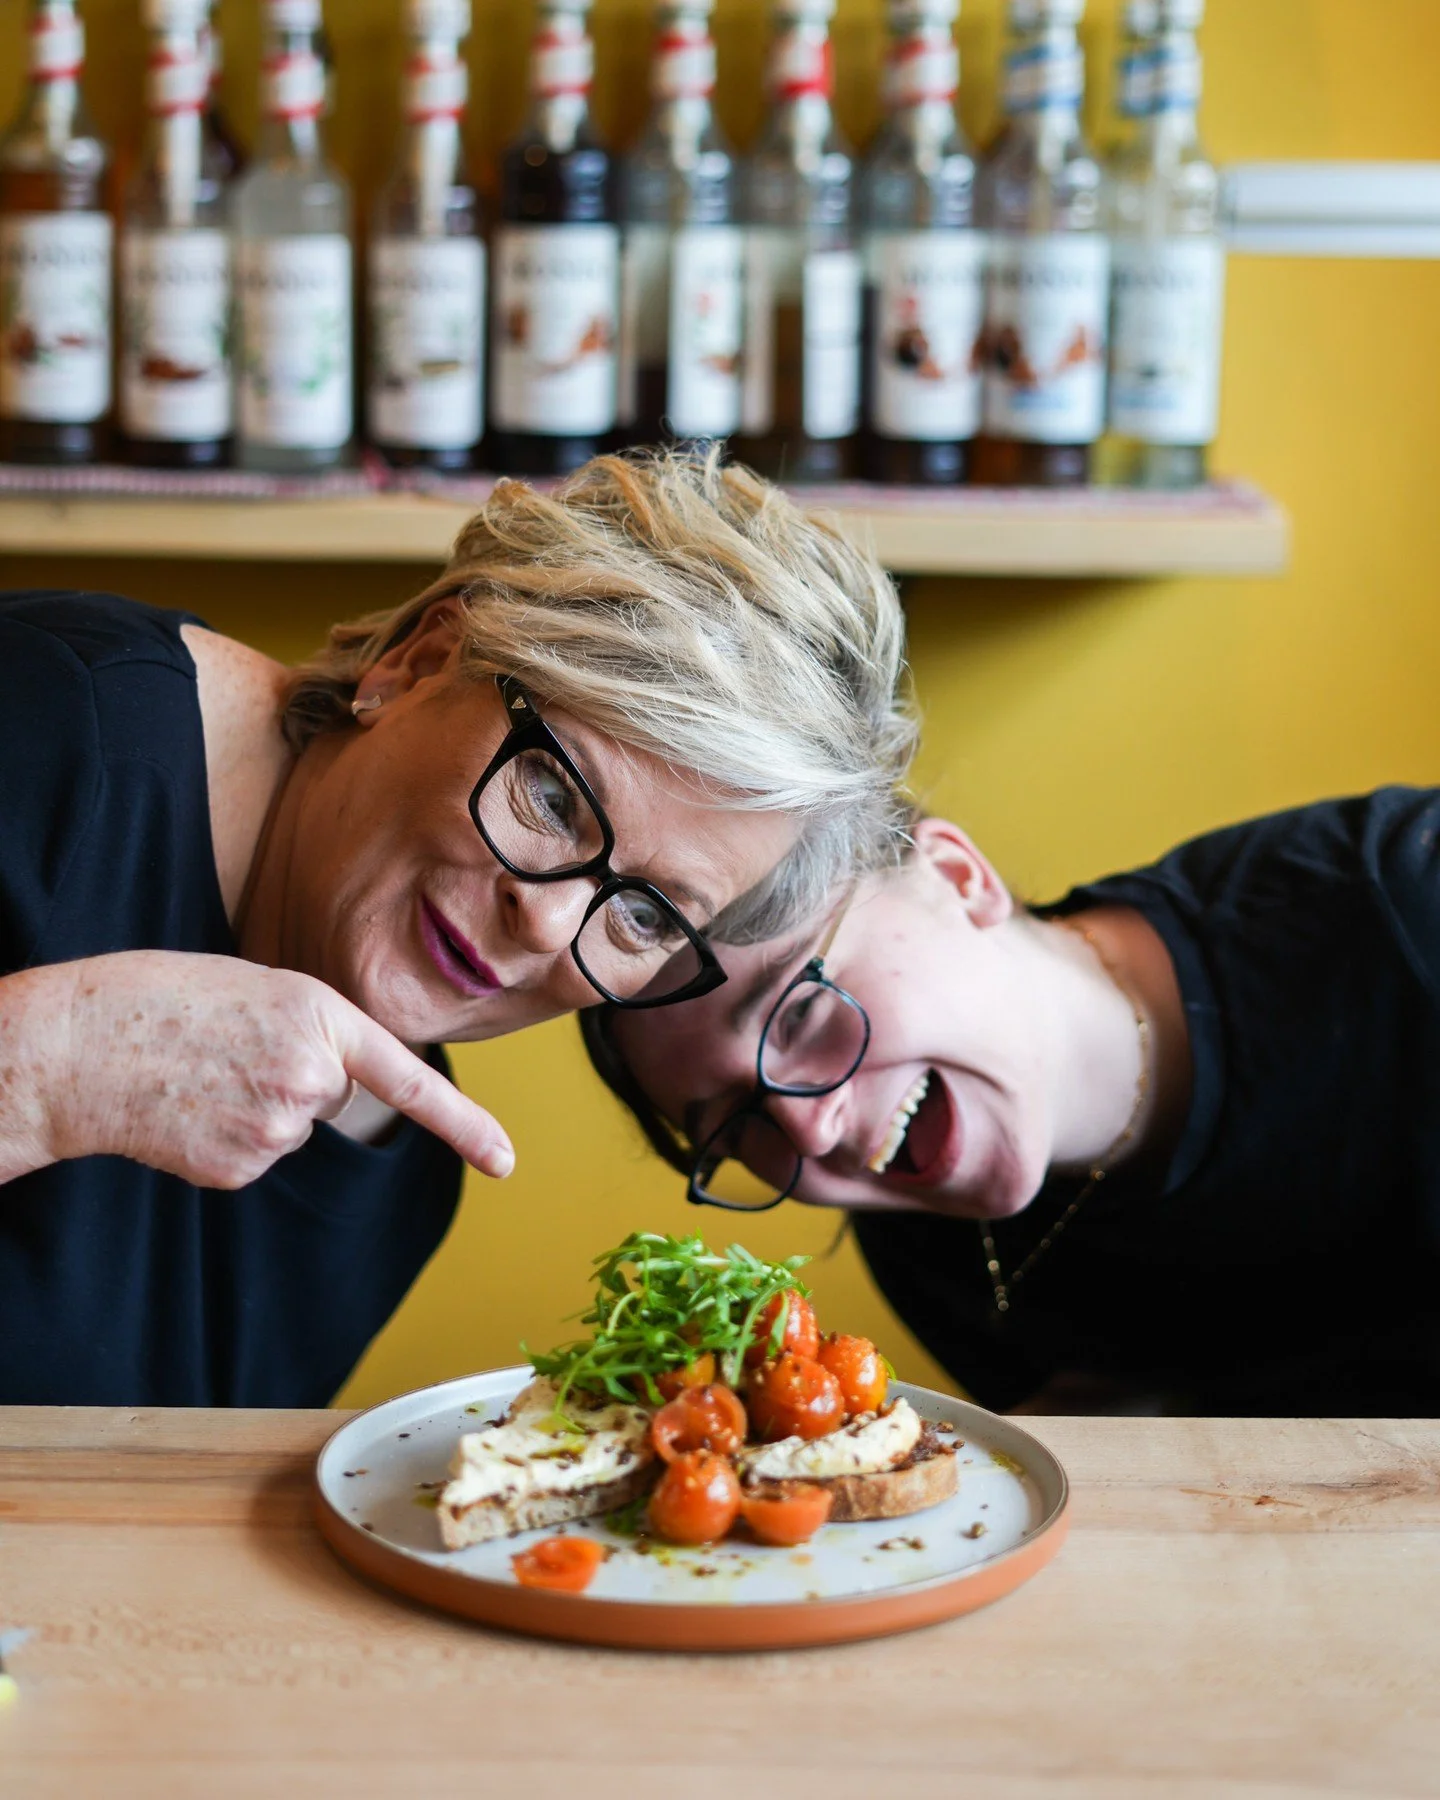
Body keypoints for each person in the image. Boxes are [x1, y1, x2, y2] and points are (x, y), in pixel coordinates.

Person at [0, 450, 915, 1406]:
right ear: (419, 662)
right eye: (555, 797)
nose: (551, 921)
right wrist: (48, 1072)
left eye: (646, 913)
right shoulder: (48, 723)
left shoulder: (409, 1165)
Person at [584, 788, 1440, 1416]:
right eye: (737, 1126)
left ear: (959, 877)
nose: (806, 1126)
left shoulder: (1406, 903)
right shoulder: (918, 1239)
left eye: (802, 1010)